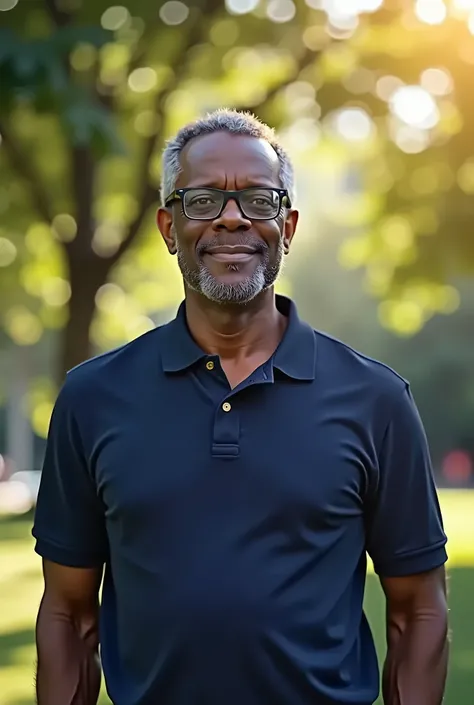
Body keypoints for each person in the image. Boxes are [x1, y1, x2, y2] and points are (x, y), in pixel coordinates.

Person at [33, 109, 449, 705]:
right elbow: (69, 616)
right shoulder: (92, 398)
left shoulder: (376, 400)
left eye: (258, 200)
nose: (232, 218)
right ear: (168, 226)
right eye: (202, 201)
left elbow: (418, 612)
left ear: (289, 224)